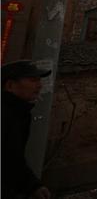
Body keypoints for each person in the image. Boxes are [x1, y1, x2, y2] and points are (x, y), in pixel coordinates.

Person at [2, 60, 52, 199]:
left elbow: (14, 159)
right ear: (10, 85)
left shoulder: (21, 113)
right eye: (33, 80)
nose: (39, 85)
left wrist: (33, 186)